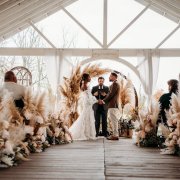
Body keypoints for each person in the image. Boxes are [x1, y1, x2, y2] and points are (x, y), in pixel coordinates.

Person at [69, 73, 97, 140]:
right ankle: (86, 133)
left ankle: (87, 133)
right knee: (85, 117)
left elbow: (88, 96)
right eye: (89, 77)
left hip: (87, 103)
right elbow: (87, 97)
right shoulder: (84, 85)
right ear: (86, 78)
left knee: (86, 117)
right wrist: (95, 99)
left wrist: (93, 98)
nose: (90, 78)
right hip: (87, 103)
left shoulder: (84, 84)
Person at [100, 72, 120, 140]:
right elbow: (110, 94)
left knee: (114, 120)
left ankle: (115, 135)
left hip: (113, 104)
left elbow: (111, 94)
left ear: (114, 77)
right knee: (113, 120)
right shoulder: (114, 84)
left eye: (110, 76)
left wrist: (103, 100)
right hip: (112, 105)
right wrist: (106, 95)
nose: (109, 77)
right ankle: (115, 134)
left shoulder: (115, 84)